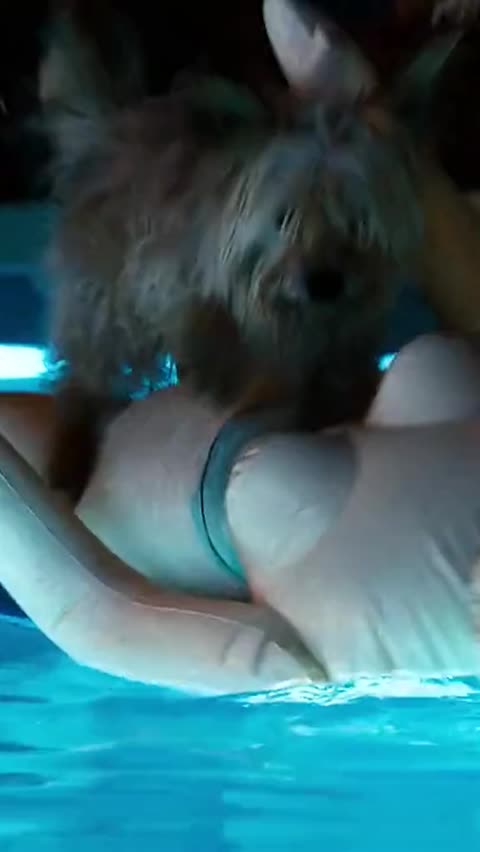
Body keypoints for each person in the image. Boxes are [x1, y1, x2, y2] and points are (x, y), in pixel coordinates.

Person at [0, 326, 479, 695]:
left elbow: (94, 616)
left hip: (129, 483)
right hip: (190, 456)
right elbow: (92, 618)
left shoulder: (360, 657)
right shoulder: (378, 653)